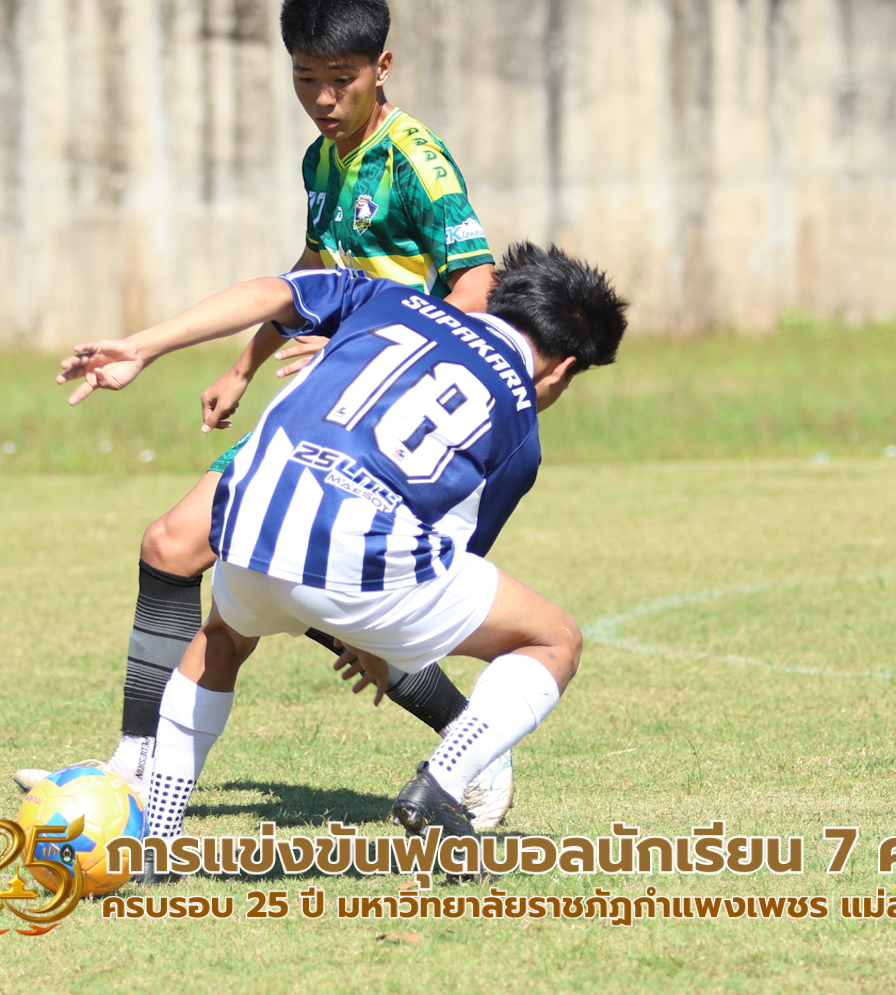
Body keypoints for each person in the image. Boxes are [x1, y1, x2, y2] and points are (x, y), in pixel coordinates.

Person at [16, 0, 520, 823]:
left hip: (373, 422)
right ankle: (132, 768)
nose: (322, 99)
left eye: (342, 79)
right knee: (175, 547)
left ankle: (475, 744)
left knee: (317, 601)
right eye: (305, 77)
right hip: (322, 401)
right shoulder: (323, 160)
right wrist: (245, 364)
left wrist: (376, 347)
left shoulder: (418, 164)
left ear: (383, 67)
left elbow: (478, 285)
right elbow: (312, 272)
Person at [55, 243, 627, 845]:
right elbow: (451, 558)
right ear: (562, 368)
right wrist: (380, 642)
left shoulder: (390, 299)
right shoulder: (520, 426)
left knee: (220, 639)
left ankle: (157, 839)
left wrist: (142, 346)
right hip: (364, 568)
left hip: (247, 528)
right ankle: (443, 783)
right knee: (555, 639)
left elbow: (269, 292)